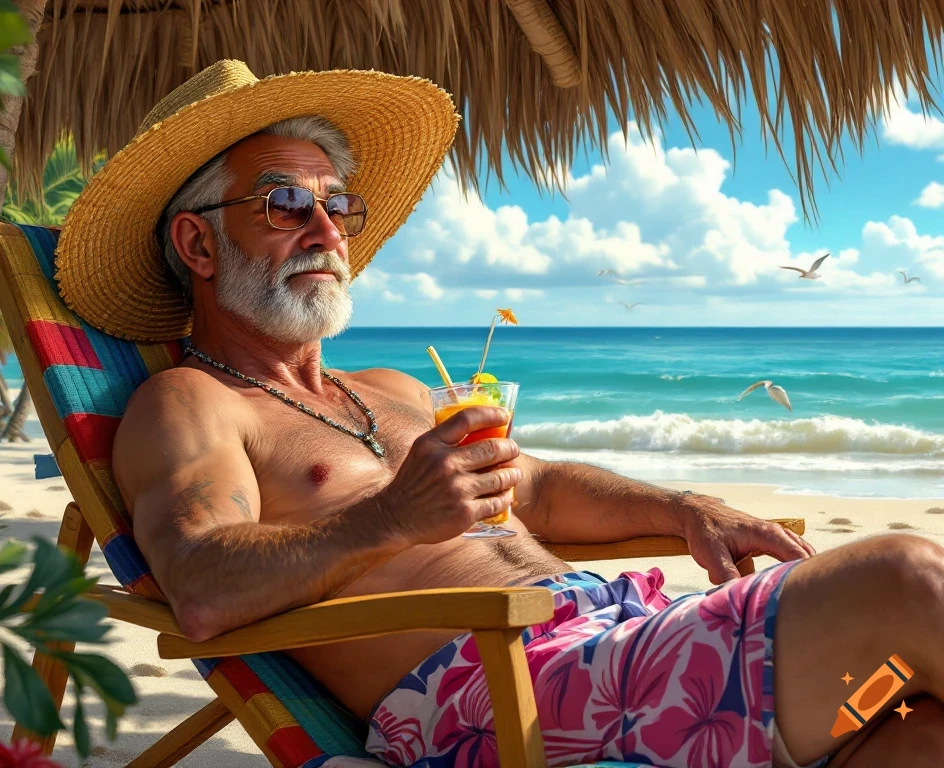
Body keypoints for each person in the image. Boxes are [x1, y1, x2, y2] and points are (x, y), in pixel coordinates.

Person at [57, 60, 944, 768]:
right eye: (287, 202)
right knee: (904, 576)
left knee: (912, 729)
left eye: (338, 205)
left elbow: (540, 488)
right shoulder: (189, 403)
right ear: (198, 242)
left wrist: (685, 510)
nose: (327, 231)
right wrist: (391, 517)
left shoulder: (392, 388)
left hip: (615, 639)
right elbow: (201, 585)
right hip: (503, 698)